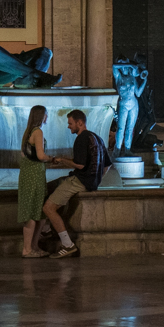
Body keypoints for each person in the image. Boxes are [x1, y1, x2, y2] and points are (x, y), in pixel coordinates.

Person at [40, 108, 107, 258]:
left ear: (80, 122)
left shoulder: (81, 138)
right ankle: (48, 229)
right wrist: (96, 179)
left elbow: (80, 165)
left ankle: (67, 244)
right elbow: (107, 165)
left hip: (79, 181)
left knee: (49, 208)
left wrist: (62, 159)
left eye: (70, 123)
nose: (68, 126)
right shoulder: (97, 138)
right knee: (50, 186)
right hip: (90, 181)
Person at [17, 105, 52, 258]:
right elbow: (40, 155)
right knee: (33, 211)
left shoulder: (27, 132)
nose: (47, 117)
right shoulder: (37, 132)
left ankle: (34, 246)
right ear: (41, 116)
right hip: (34, 175)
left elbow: (24, 155)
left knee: (38, 212)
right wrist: (53, 159)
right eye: (46, 114)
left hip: (28, 174)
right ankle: (27, 249)